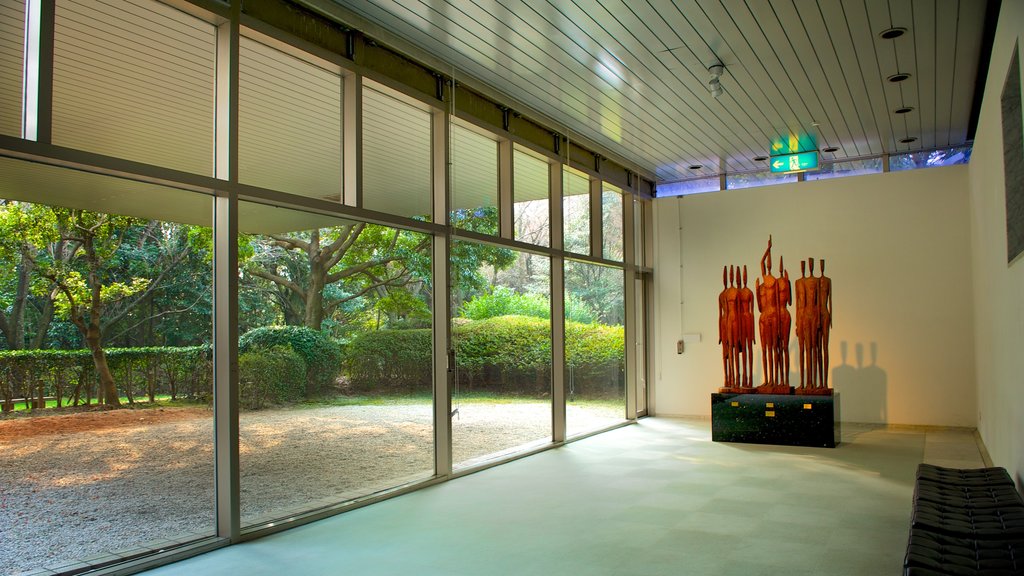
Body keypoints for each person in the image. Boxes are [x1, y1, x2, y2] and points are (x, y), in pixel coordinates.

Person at [756, 237, 778, 386]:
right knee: (765, 349)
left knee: (773, 348)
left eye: (769, 264)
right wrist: (768, 249)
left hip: (772, 316)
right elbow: (760, 263)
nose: (767, 266)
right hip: (763, 317)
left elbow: (777, 302)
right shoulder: (762, 285)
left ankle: (774, 380)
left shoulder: (774, 283)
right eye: (767, 264)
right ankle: (767, 380)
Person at [738, 265, 755, 387]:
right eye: (741, 277)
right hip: (741, 321)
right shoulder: (737, 293)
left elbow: (753, 311)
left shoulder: (749, 292)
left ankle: (749, 377)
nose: (743, 279)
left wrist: (753, 334)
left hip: (748, 319)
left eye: (744, 277)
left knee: (748, 349)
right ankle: (742, 377)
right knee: (742, 349)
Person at [776, 256, 792, 387]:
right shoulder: (775, 283)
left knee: (784, 347)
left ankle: (785, 379)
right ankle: (778, 380)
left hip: (784, 315)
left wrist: (788, 283)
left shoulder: (786, 282)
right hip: (777, 316)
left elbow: (790, 302)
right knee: (777, 348)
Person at [818, 259, 833, 388]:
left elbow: (831, 300)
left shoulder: (828, 281)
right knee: (818, 350)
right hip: (819, 315)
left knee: (825, 348)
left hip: (825, 314)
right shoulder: (817, 282)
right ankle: (820, 382)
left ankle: (824, 383)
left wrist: (831, 317)